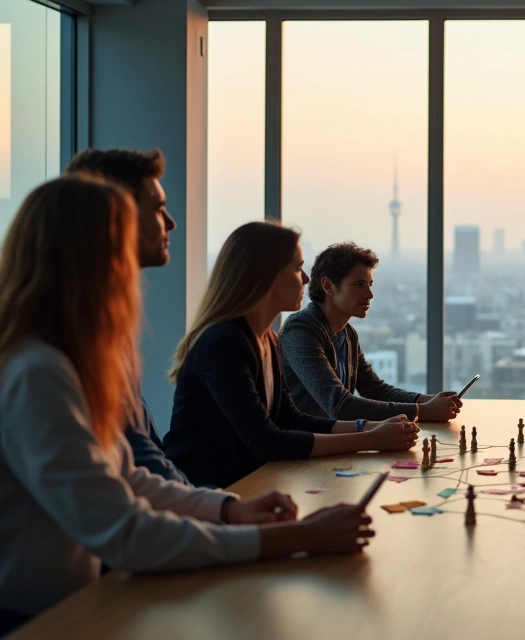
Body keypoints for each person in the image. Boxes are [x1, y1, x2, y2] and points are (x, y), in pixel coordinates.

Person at [0, 177, 375, 634]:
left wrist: (228, 511)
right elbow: (126, 533)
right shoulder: (38, 373)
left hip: (79, 605)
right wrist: (294, 537)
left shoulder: (67, 361)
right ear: (94, 260)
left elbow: (129, 479)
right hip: (38, 620)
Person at [163, 222, 417, 489]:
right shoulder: (223, 344)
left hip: (248, 482)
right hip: (203, 491)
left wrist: (368, 428)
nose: (307, 279)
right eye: (297, 269)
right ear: (266, 276)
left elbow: (291, 419)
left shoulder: (268, 339)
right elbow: (267, 442)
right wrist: (371, 439)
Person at [64, 148, 188, 484]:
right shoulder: (69, 340)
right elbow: (137, 463)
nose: (171, 223)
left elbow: (140, 456)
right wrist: (228, 514)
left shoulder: (104, 324)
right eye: (159, 208)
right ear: (116, 217)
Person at [281, 242, 461, 422]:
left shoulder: (347, 334)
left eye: (370, 284)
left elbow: (376, 390)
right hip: (300, 447)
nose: (369, 294)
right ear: (328, 286)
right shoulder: (300, 330)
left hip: (335, 443)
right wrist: (422, 411)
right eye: (359, 285)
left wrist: (430, 401)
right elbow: (340, 406)